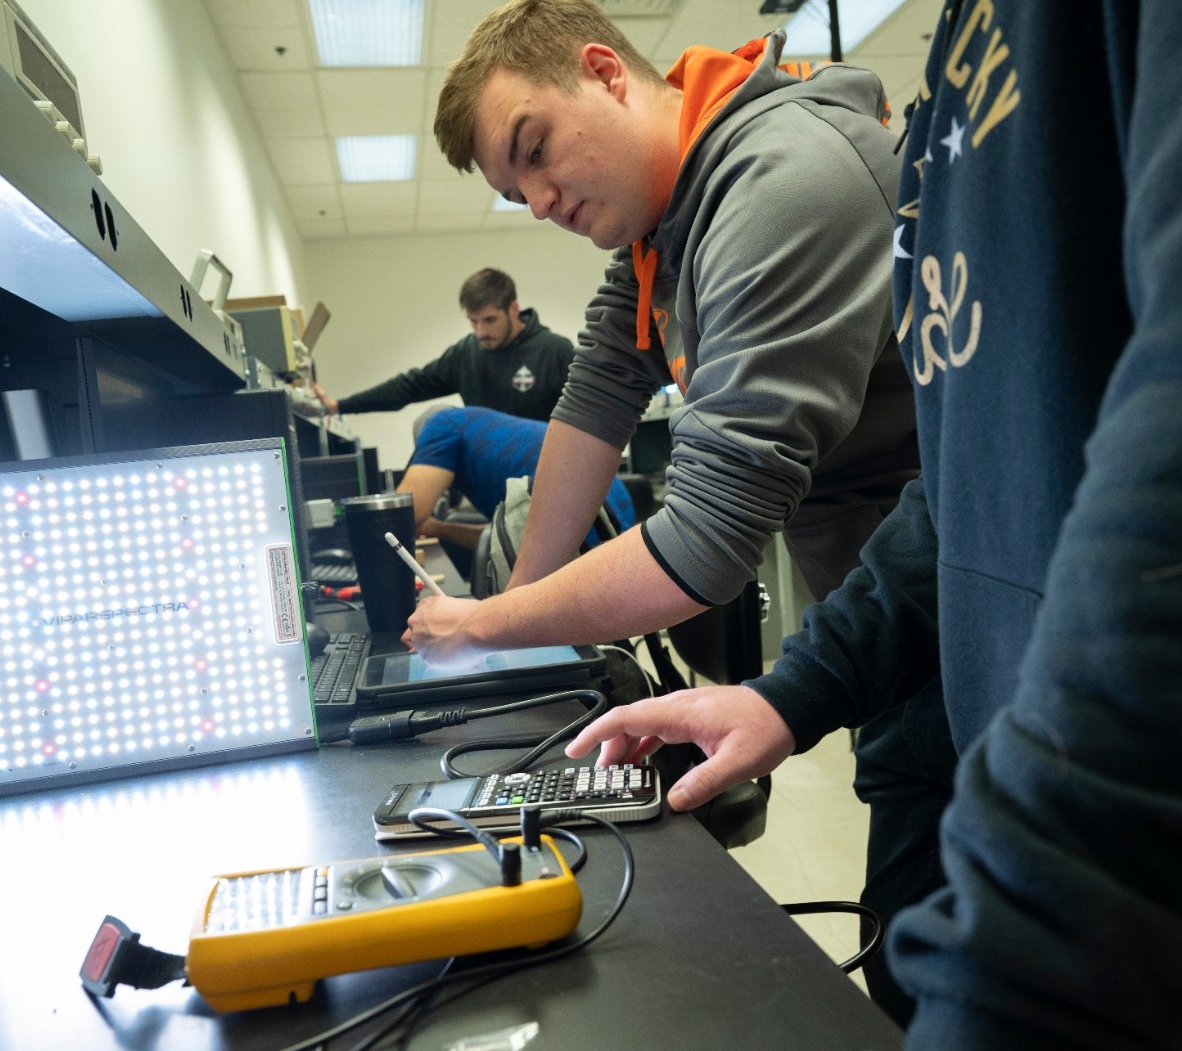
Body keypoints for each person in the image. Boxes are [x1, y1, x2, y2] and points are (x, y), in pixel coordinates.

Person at [565, 1, 1182, 1044]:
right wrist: (793, 691)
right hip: (983, 759)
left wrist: (1036, 940)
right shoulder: (963, 53)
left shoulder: (784, 176)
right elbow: (967, 470)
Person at [410, 0, 936, 1017]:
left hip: (972, 617)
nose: (537, 198)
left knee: (936, 965)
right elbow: (594, 401)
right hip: (892, 624)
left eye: (535, 149)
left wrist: (482, 624)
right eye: (513, 188)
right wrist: (519, 616)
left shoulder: (775, 183)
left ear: (606, 75)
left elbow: (702, 551)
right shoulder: (666, 229)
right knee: (913, 944)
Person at [311, 268, 574, 423]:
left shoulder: (555, 352)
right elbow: (409, 386)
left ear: (513, 309)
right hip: (490, 471)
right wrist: (340, 406)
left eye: (490, 320)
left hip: (545, 473)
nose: (481, 332)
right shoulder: (467, 353)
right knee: (435, 420)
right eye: (473, 322)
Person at [396, 404, 635, 565]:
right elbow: (503, 541)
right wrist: (438, 528)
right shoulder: (486, 434)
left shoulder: (441, 423)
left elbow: (401, 517)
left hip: (581, 539)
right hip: (616, 530)